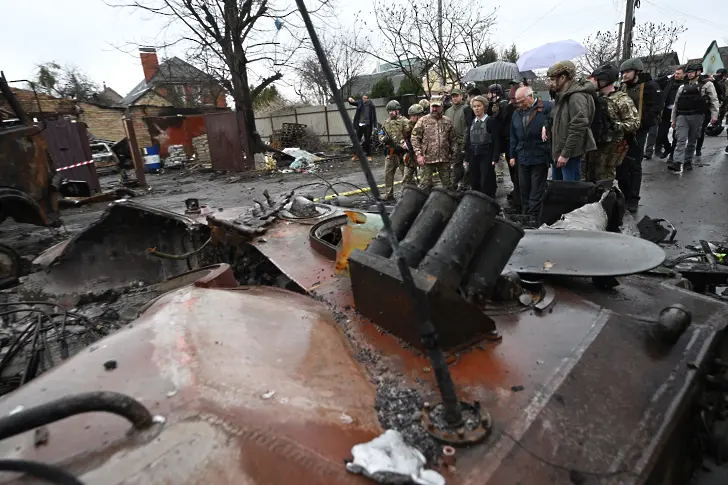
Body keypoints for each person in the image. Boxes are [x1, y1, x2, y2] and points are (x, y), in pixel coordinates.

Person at [582, 64, 640, 182]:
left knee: (605, 180)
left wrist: (615, 125)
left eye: (596, 79)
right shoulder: (594, 98)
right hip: (593, 147)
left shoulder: (621, 99)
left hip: (610, 149)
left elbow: (635, 123)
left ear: (604, 80)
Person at [618, 58, 661, 212]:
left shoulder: (649, 86)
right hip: (623, 131)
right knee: (621, 164)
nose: (624, 75)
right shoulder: (623, 87)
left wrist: (640, 124)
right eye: (623, 72)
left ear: (637, 71)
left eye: (627, 72)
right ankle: (623, 195)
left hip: (639, 131)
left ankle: (633, 199)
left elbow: (655, 108)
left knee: (635, 165)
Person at [546, 60, 597, 181]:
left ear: (563, 78)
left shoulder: (576, 97)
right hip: (559, 153)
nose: (550, 84)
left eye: (553, 79)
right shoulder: (562, 96)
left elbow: (578, 127)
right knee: (558, 192)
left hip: (570, 155)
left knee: (571, 192)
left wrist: (565, 154)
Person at [509, 86, 552, 218]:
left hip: (539, 155)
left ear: (531, 96)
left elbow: (555, 125)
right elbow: (513, 135)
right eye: (518, 102)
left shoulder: (546, 108)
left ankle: (533, 217)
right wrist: (512, 155)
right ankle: (525, 214)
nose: (520, 104)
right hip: (522, 156)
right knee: (524, 188)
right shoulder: (517, 113)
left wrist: (547, 127)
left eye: (522, 101)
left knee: (536, 190)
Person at [668, 63, 720, 172]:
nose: (689, 74)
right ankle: (677, 162)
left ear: (699, 72)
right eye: (688, 72)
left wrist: (714, 115)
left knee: (692, 140)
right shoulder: (682, 86)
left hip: (698, 116)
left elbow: (714, 100)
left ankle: (688, 161)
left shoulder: (707, 85)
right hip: (682, 116)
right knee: (680, 139)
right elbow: (676, 104)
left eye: (692, 72)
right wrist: (673, 119)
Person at [411, 96, 455, 191]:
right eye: (433, 106)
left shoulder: (447, 121)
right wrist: (419, 155)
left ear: (442, 107)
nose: (434, 109)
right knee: (424, 185)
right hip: (427, 158)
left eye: (437, 106)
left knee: (448, 185)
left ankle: (449, 203)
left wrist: (453, 154)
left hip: (444, 158)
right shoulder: (423, 120)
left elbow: (452, 139)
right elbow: (414, 138)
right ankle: (422, 204)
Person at [465, 95, 499, 198]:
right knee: (475, 180)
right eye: (474, 106)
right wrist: (466, 158)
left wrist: (495, 157)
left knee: (486, 180)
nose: (476, 108)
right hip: (473, 155)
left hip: (486, 154)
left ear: (484, 107)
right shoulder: (471, 122)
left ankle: (488, 200)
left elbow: (496, 141)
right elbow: (468, 140)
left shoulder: (490, 121)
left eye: (478, 106)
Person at [378, 100, 410, 200]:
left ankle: (407, 194)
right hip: (390, 153)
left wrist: (405, 144)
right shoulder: (386, 122)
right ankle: (389, 194)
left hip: (401, 153)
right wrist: (384, 139)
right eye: (389, 111)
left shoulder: (404, 121)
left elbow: (411, 134)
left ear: (397, 110)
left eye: (393, 110)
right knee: (388, 174)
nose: (390, 112)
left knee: (406, 175)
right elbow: (380, 134)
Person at [445, 88, 474, 191]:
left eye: (456, 96)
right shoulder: (448, 111)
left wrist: (465, 142)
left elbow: (468, 126)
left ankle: (466, 185)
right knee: (456, 165)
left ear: (461, 96)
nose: (454, 98)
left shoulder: (467, 109)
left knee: (467, 166)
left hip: (464, 142)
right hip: (453, 143)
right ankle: (457, 184)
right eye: (453, 96)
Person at [659, 66, 686, 161]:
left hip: (678, 112)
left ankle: (672, 156)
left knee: (676, 135)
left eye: (678, 73)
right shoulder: (669, 81)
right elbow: (656, 82)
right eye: (675, 73)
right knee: (661, 133)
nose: (676, 75)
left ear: (684, 74)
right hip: (666, 111)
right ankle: (668, 148)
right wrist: (667, 77)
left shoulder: (686, 84)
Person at [696, 65, 719, 156]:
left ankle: (698, 148)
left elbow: (715, 98)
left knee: (700, 131)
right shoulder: (687, 82)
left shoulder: (707, 83)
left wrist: (714, 115)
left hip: (704, 111)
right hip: (690, 110)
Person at [347, 94, 376, 161]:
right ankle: (356, 155)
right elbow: (353, 103)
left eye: (365, 98)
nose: (364, 100)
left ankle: (369, 156)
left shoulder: (371, 105)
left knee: (367, 141)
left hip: (368, 125)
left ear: (368, 99)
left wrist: (375, 126)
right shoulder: (360, 102)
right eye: (363, 98)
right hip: (359, 125)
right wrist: (350, 100)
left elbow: (374, 116)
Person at [401, 104, 424, 188]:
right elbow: (403, 137)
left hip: (422, 154)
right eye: (411, 115)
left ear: (419, 115)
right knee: (406, 178)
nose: (412, 117)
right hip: (411, 154)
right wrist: (404, 143)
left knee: (425, 179)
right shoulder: (408, 126)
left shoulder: (425, 124)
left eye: (414, 115)